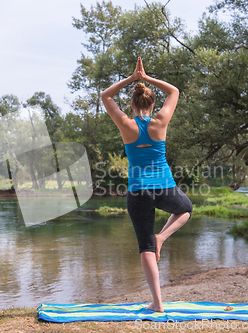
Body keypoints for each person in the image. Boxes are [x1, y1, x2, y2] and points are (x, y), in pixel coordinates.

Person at [101, 57, 193, 312]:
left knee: (145, 248)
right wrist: (147, 78)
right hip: (165, 186)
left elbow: (106, 96)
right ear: (153, 104)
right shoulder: (160, 120)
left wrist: (131, 79)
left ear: (131, 104)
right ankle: (162, 237)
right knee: (185, 208)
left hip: (138, 191)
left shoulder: (126, 124)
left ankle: (157, 303)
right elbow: (174, 91)